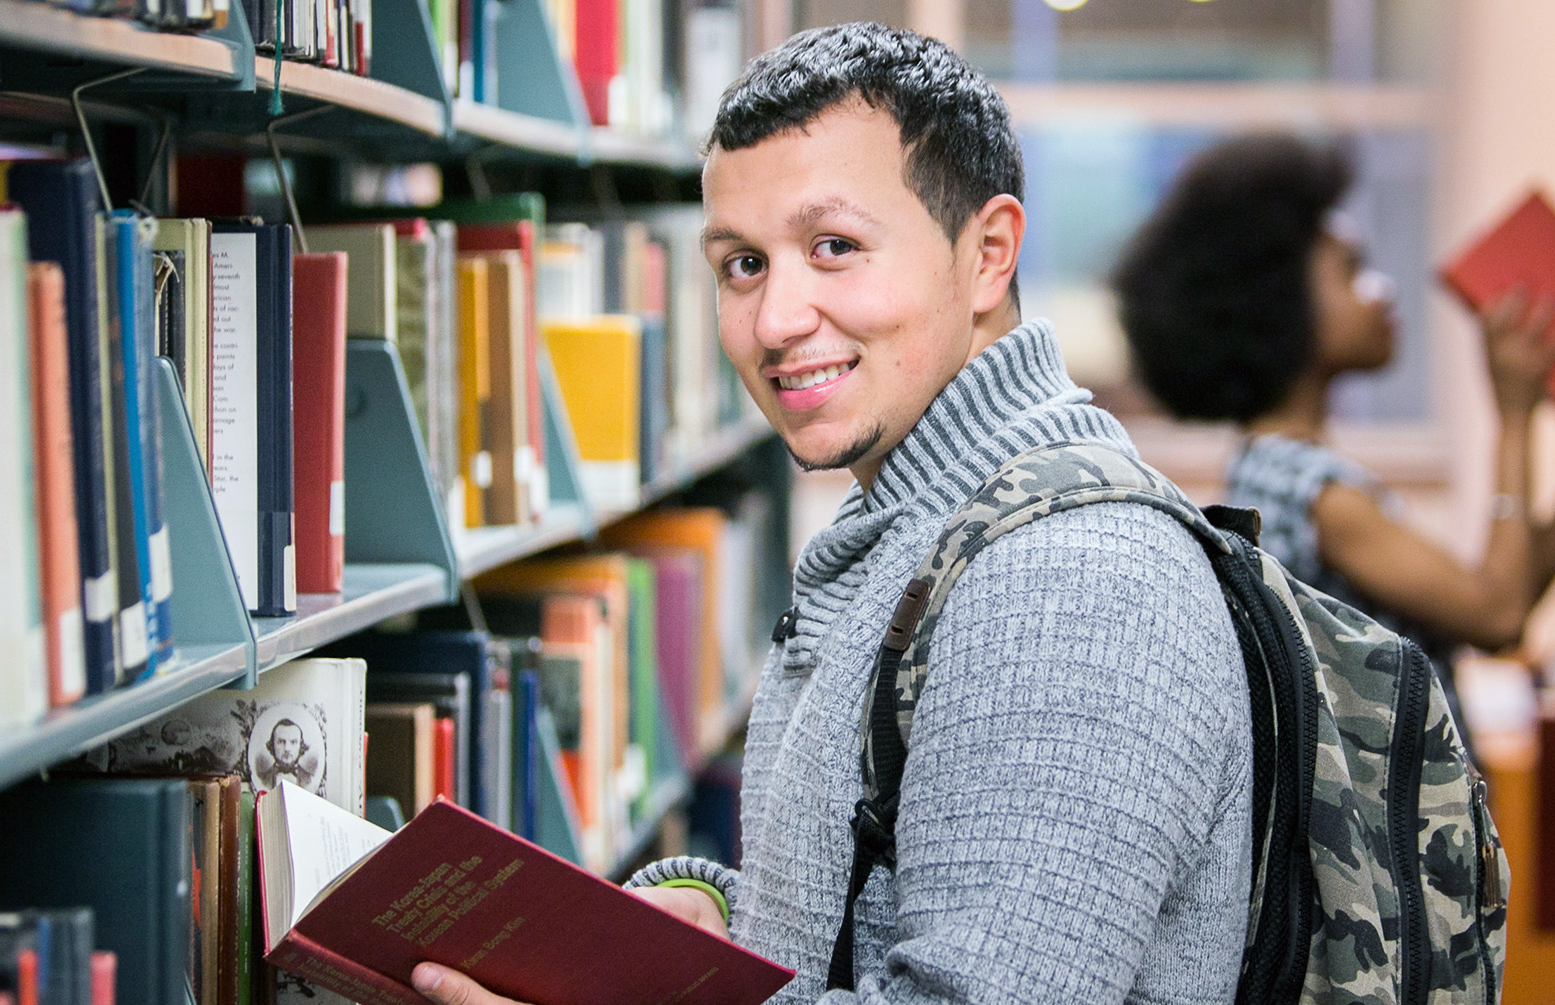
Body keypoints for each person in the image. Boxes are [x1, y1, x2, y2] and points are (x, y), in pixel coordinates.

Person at [411, 21, 1253, 1005]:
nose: (775, 320)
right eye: (742, 264)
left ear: (987, 255)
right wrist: (717, 917)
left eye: (834, 247)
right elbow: (899, 908)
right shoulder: (925, 522)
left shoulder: (1067, 581)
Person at [1112, 133, 1555, 739]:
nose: (1383, 291)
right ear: (1280, 307)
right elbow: (1498, 615)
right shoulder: (1319, 495)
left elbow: (1490, 596)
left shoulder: (1267, 468)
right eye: (1352, 273)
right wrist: (1514, 415)